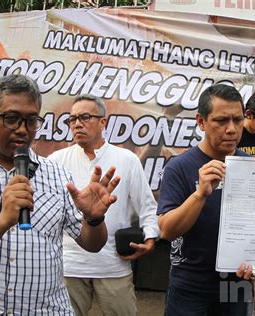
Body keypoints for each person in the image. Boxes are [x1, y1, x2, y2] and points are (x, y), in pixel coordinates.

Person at [0, 74, 120, 315]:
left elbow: (92, 244)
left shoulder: (58, 174)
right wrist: (2, 221)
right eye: (12, 118)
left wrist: (93, 219)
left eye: (31, 121)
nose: (22, 130)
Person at [48, 94, 160, 316]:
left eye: (85, 117)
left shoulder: (126, 159)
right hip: (69, 265)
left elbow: (147, 207)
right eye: (72, 119)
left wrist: (150, 238)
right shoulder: (55, 161)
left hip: (113, 264)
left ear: (103, 122)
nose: (77, 124)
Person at [157, 83, 255, 316]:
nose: (231, 129)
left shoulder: (252, 167)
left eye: (238, 120)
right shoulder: (179, 167)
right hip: (190, 288)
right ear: (201, 122)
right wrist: (200, 194)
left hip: (236, 287)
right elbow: (167, 231)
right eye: (221, 121)